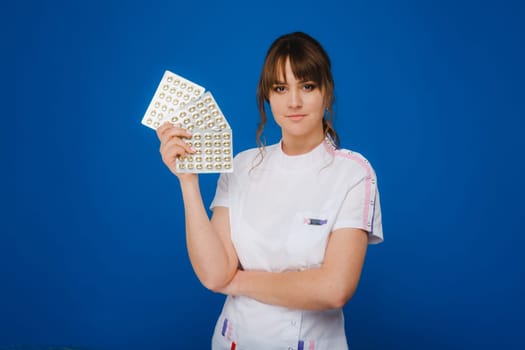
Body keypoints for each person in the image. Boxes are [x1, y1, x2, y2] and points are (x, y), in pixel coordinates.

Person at [156, 31, 383, 350]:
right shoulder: (242, 166)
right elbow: (213, 274)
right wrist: (188, 181)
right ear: (267, 96)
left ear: (326, 93)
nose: (293, 102)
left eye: (307, 86)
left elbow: (334, 289)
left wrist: (236, 281)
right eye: (280, 88)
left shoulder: (353, 173)